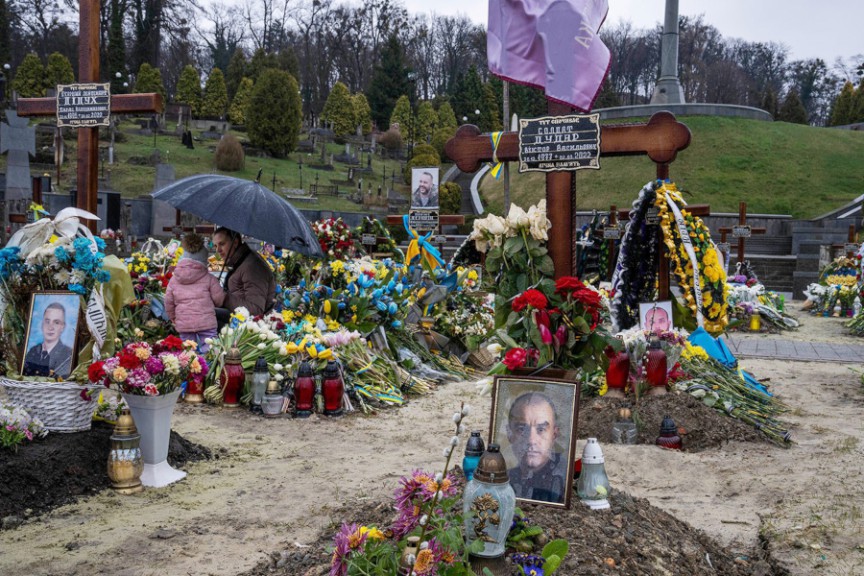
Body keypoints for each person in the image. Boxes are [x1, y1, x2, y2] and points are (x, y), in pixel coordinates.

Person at [164, 233, 225, 353]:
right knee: (210, 350)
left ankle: (191, 370)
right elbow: (219, 300)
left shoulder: (174, 279)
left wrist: (173, 318)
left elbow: (168, 302)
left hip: (184, 323)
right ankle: (210, 369)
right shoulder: (209, 278)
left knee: (187, 352)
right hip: (207, 323)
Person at [505, 392, 567, 503]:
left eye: (541, 430)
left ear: (554, 434)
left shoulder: (564, 476)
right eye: (521, 429)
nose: (531, 440)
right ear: (509, 433)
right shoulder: (504, 478)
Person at [212, 227, 276, 326]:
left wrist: (224, 297)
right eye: (215, 246)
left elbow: (256, 310)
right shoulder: (241, 260)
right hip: (236, 319)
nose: (218, 250)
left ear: (235, 242)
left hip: (249, 327)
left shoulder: (252, 266)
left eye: (222, 244)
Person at [22, 302, 74, 378]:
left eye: (56, 322)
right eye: (47, 321)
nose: (50, 327)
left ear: (62, 327)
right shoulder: (33, 351)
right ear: (42, 324)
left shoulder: (68, 355)